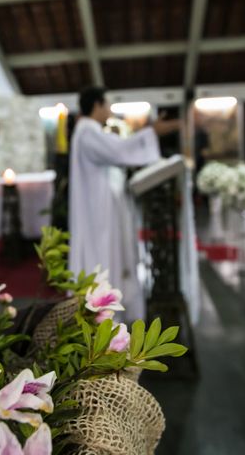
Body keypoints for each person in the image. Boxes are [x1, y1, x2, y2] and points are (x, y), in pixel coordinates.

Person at [68, 86, 179, 321]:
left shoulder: (89, 131)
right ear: (96, 105)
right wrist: (151, 133)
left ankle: (111, 310)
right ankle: (105, 314)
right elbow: (118, 150)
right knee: (105, 258)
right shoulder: (88, 132)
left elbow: (115, 150)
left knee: (111, 257)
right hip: (99, 214)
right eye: (106, 105)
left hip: (101, 208)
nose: (109, 110)